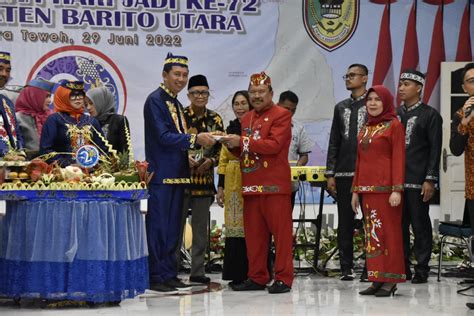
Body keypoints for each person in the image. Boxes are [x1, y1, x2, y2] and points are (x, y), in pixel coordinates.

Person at [143, 53, 215, 293]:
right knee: (159, 227)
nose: (181, 79)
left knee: (174, 228)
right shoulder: (155, 100)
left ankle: (169, 273)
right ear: (165, 75)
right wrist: (195, 139)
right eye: (177, 74)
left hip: (181, 173)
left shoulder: (174, 103)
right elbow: (163, 137)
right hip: (162, 175)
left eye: (184, 75)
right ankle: (155, 276)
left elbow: (178, 138)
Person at [223, 72, 294, 294]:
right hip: (251, 184)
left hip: (274, 185)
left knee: (281, 236)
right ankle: (257, 276)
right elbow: (244, 153)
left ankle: (284, 278)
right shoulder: (246, 118)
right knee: (254, 237)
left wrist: (241, 141)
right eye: (253, 92)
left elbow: (273, 145)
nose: (256, 96)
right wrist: (230, 144)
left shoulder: (281, 115)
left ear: (271, 93)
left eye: (261, 92)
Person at [351, 85, 406, 297]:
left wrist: (397, 189)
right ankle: (376, 278)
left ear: (386, 102)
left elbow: (399, 158)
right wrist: (355, 190)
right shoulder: (365, 127)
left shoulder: (394, 126)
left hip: (387, 191)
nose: (372, 103)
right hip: (367, 191)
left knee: (388, 235)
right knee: (372, 236)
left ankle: (390, 280)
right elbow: (359, 161)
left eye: (377, 99)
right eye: (369, 99)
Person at [177, 74, 224, 284]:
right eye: (195, 92)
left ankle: (197, 272)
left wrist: (212, 161)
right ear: (188, 95)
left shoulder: (215, 119)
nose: (200, 96)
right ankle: (172, 270)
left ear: (208, 94)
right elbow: (173, 142)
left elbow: (221, 149)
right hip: (181, 181)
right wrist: (183, 157)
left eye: (204, 92)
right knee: (175, 228)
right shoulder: (179, 115)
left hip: (204, 183)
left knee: (200, 231)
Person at [397, 69, 443, 283]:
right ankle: (402, 267)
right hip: (396, 183)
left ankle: (422, 269)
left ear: (419, 87)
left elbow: (435, 149)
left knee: (420, 225)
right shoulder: (395, 115)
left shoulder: (430, 115)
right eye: (400, 84)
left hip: (418, 181)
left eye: (406, 84)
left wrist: (430, 179)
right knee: (399, 226)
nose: (401, 88)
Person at [326, 64, 368, 281]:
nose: (348, 79)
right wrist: (330, 173)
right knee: (345, 222)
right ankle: (346, 268)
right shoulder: (340, 107)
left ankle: (372, 267)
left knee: (371, 220)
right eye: (347, 75)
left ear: (365, 78)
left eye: (352, 75)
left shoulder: (373, 104)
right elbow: (334, 140)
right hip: (343, 173)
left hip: (369, 173)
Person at [216, 90, 252, 288]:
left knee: (252, 227)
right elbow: (222, 161)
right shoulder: (230, 128)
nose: (239, 107)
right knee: (234, 226)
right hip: (231, 181)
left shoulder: (255, 127)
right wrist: (220, 187)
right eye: (236, 104)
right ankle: (236, 273)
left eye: (243, 103)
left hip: (251, 177)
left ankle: (253, 272)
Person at [448, 63, 474, 310]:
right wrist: (466, 119)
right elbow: (455, 149)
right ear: (464, 87)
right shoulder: (460, 115)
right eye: (470, 81)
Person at [39, 81, 107, 166]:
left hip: (91, 172)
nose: (78, 98)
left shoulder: (92, 121)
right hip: (62, 173)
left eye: (81, 95)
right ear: (63, 96)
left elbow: (103, 149)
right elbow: (45, 150)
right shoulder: (54, 120)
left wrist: (93, 163)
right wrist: (67, 164)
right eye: (73, 95)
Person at [277, 90, 313, 209]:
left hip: (290, 183)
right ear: (278, 105)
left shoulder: (298, 128)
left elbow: (304, 155)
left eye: (293, 110)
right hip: (269, 182)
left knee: (286, 218)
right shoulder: (267, 124)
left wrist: (298, 166)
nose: (290, 113)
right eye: (287, 109)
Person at [15, 79, 54, 159]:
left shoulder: (52, 117)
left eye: (50, 96)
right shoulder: (18, 118)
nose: (50, 101)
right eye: (46, 96)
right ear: (34, 96)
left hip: (51, 162)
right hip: (26, 164)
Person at [85, 86, 130, 154]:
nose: (88, 108)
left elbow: (125, 152)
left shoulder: (118, 121)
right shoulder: (88, 122)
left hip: (114, 164)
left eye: (91, 103)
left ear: (100, 102)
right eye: (86, 104)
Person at [0, 51, 25, 159]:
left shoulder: (7, 102)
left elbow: (17, 133)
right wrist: (5, 152)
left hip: (9, 167)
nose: (4, 74)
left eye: (8, 70)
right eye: (0, 69)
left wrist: (21, 152)